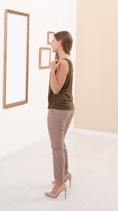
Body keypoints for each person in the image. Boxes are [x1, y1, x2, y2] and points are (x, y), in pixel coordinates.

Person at [44, 31, 75, 199]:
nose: (51, 43)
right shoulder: (69, 60)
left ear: (60, 42)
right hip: (68, 108)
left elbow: (56, 89)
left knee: (56, 147)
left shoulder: (62, 63)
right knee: (61, 143)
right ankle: (64, 173)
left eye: (53, 41)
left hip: (59, 109)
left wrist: (51, 70)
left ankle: (59, 183)